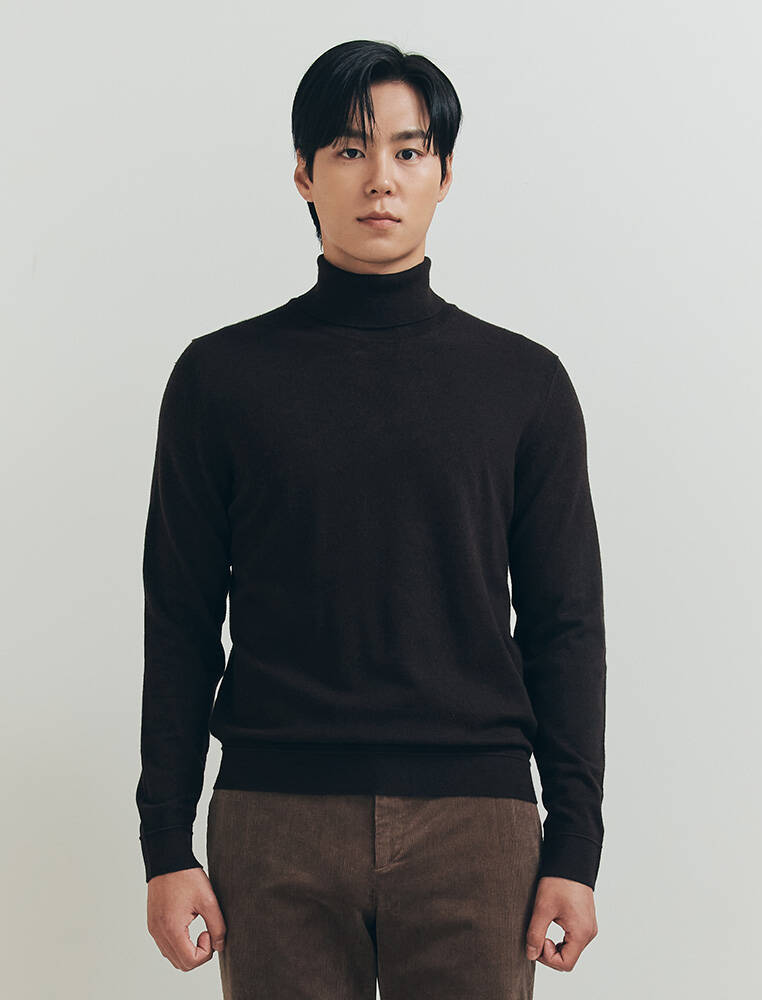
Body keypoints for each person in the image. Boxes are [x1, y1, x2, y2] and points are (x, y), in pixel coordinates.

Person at [135, 38, 607, 998]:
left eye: (407, 150)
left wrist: (574, 847)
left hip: (478, 822)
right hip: (274, 818)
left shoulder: (523, 384)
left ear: (444, 174)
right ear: (304, 175)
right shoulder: (220, 379)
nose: (380, 178)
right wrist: (165, 845)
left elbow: (565, 625)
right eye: (349, 150)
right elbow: (179, 619)